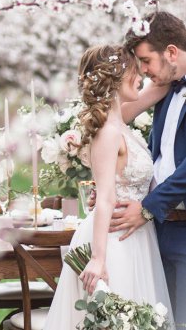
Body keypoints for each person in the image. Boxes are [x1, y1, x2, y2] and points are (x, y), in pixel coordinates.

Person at [43, 44, 174, 329]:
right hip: (113, 243)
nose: (141, 76)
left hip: (136, 236)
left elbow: (159, 87)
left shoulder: (119, 120)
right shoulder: (107, 131)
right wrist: (99, 260)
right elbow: (104, 198)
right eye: (135, 70)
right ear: (117, 77)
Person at [110, 11, 186, 329]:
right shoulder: (166, 90)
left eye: (145, 60)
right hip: (159, 230)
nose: (143, 70)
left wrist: (147, 208)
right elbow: (159, 157)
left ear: (170, 52)